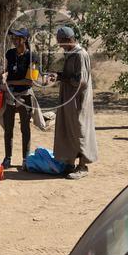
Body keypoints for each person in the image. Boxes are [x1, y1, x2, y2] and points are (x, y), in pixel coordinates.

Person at [51, 26, 98, 180]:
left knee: (79, 130)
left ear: (69, 40)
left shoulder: (80, 55)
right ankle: (70, 162)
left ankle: (83, 165)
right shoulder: (71, 54)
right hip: (69, 99)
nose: (60, 46)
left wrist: (62, 78)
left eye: (61, 43)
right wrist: (59, 75)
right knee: (69, 130)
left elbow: (81, 81)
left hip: (78, 101)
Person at [0, 28, 38, 169]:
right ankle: (7, 158)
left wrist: (9, 82)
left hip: (24, 96)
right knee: (8, 128)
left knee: (25, 128)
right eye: (13, 38)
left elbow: (30, 81)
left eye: (18, 38)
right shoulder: (10, 54)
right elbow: (5, 69)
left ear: (25, 39)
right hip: (10, 96)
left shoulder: (32, 57)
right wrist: (4, 74)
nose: (14, 40)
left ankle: (25, 159)